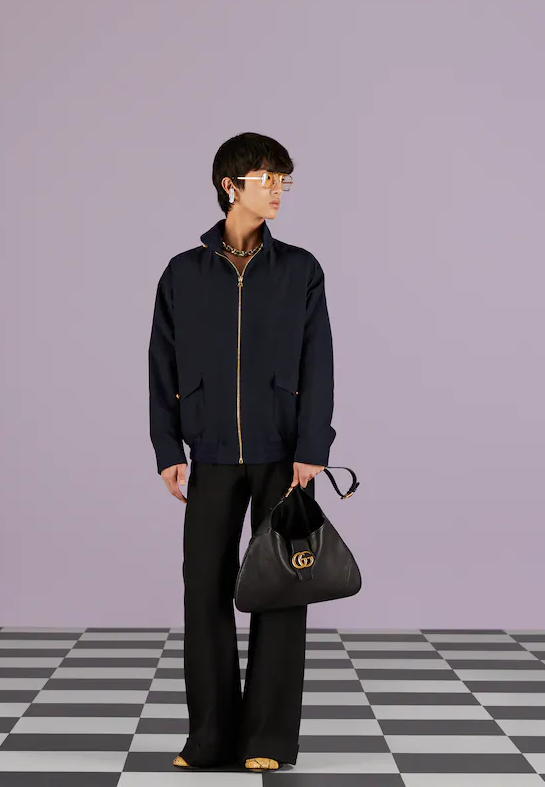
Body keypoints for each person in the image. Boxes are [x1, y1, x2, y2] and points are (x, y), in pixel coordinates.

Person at [148, 132, 337, 771]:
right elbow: (160, 365)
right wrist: (167, 445)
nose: (278, 190)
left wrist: (312, 446)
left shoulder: (300, 270)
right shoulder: (182, 272)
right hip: (208, 453)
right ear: (230, 186)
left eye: (284, 180)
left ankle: (269, 739)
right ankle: (209, 737)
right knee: (204, 591)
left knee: (280, 590)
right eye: (267, 179)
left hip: (283, 456)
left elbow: (319, 363)